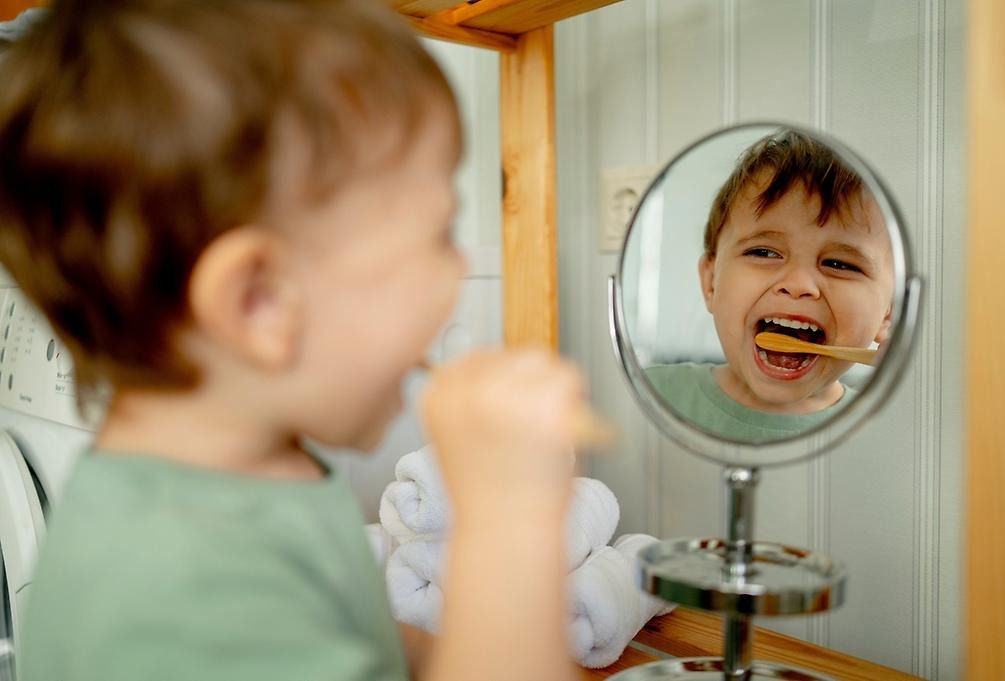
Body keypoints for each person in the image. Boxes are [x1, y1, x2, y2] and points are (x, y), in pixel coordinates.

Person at [0, 2, 585, 680]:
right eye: (438, 235)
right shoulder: (183, 590)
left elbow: (337, 628)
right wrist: (509, 520)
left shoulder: (250, 475)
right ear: (258, 302)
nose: (459, 276)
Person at [646, 130, 893, 441]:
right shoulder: (647, 393)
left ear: (888, 313)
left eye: (839, 264)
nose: (798, 284)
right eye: (763, 252)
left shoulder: (887, 433)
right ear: (710, 282)